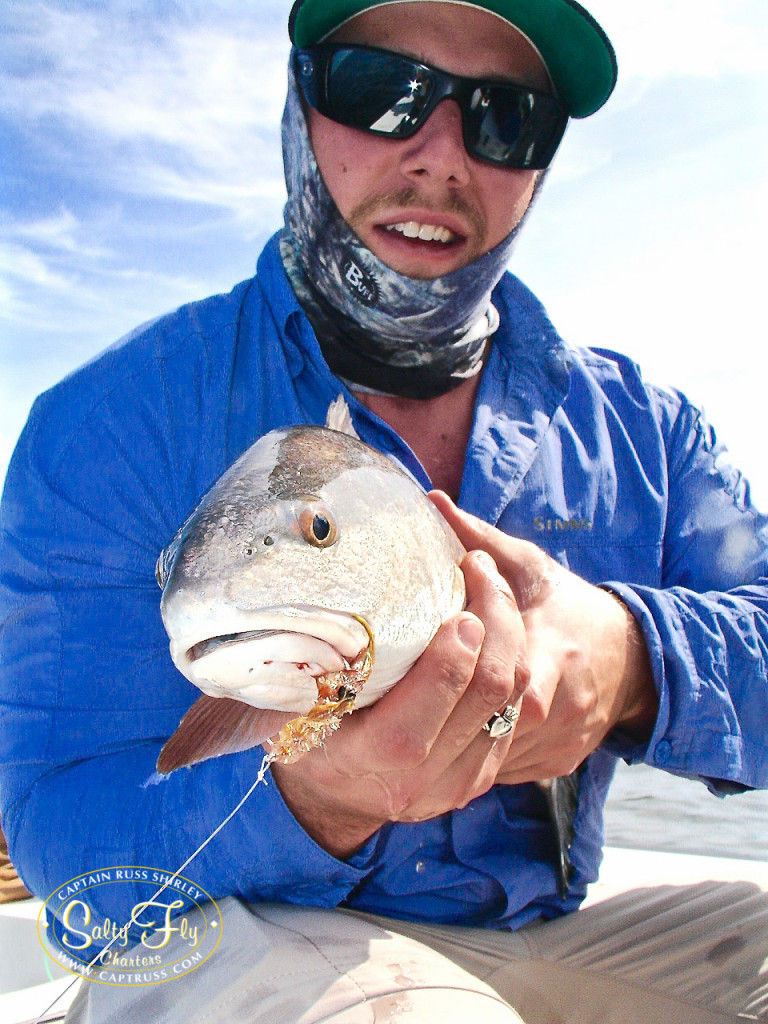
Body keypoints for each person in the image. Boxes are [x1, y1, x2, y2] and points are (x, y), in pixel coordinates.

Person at [0, 1, 766, 1021]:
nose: (442, 154)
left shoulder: (650, 431)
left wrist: (634, 661)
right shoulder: (111, 420)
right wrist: (312, 799)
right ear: (301, 104)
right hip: (243, 941)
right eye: (379, 89)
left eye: (507, 116)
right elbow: (62, 838)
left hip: (556, 936)